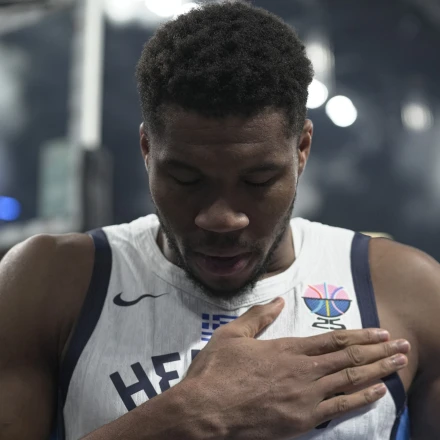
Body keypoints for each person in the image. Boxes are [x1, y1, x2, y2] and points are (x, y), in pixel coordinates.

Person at [1, 2, 439, 439]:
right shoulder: (50, 281)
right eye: (187, 179)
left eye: (257, 180)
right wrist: (187, 414)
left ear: (302, 149)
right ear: (147, 149)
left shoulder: (408, 289)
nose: (222, 218)